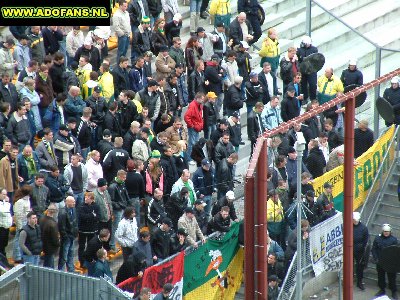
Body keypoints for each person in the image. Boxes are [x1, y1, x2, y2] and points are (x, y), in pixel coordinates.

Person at [372, 224, 399, 299]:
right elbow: (374, 249)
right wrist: (376, 258)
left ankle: (394, 291)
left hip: (391, 263)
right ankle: (382, 290)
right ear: (382, 231)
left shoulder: (394, 240)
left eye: (387, 231)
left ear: (390, 232)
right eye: (385, 231)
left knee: (392, 278)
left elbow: (396, 252)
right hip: (380, 262)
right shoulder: (377, 238)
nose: (386, 233)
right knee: (381, 277)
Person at [108, 169, 131, 252]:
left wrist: (128, 204)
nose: (125, 179)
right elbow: (111, 200)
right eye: (123, 177)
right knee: (115, 228)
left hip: (123, 208)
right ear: (119, 176)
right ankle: (112, 245)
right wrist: (119, 205)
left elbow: (126, 194)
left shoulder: (122, 184)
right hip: (117, 210)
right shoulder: (113, 187)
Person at [58, 196, 78, 272]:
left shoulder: (74, 209)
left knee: (71, 253)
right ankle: (61, 270)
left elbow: (75, 222)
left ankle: (71, 269)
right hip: (67, 237)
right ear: (68, 202)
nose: (74, 203)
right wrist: (66, 236)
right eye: (73, 202)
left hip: (72, 235)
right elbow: (61, 227)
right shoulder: (63, 212)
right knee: (64, 255)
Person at [296, 36, 318, 103]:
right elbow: (298, 60)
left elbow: (317, 59)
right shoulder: (299, 50)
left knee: (313, 84)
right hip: (303, 70)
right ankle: (304, 98)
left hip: (311, 70)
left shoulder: (314, 49)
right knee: (303, 85)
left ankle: (313, 98)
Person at [184, 92, 205, 160]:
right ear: (198, 98)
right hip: (193, 127)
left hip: (197, 127)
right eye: (202, 99)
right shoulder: (193, 105)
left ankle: (193, 156)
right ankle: (189, 158)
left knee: (195, 143)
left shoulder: (200, 105)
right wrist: (192, 125)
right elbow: (186, 117)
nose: (203, 100)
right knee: (192, 143)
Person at [39, 203, 60, 268]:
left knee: (46, 263)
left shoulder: (41, 219)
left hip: (43, 244)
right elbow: (55, 238)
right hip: (50, 247)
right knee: (49, 265)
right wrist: (58, 244)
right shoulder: (52, 224)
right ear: (54, 212)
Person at [353, 212, 369, 290]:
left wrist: (363, 248)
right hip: (350, 249)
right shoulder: (349, 226)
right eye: (354, 220)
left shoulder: (364, 228)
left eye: (356, 220)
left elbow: (366, 240)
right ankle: (349, 280)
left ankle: (359, 282)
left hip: (360, 250)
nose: (355, 221)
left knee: (360, 267)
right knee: (348, 266)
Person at [0, 189, 12, 259]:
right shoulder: (5, 203)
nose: (5, 196)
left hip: (6, 227)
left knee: (4, 244)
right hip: (1, 227)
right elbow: (4, 211)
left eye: (6, 194)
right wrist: (7, 202)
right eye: (4, 194)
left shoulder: (4, 202)